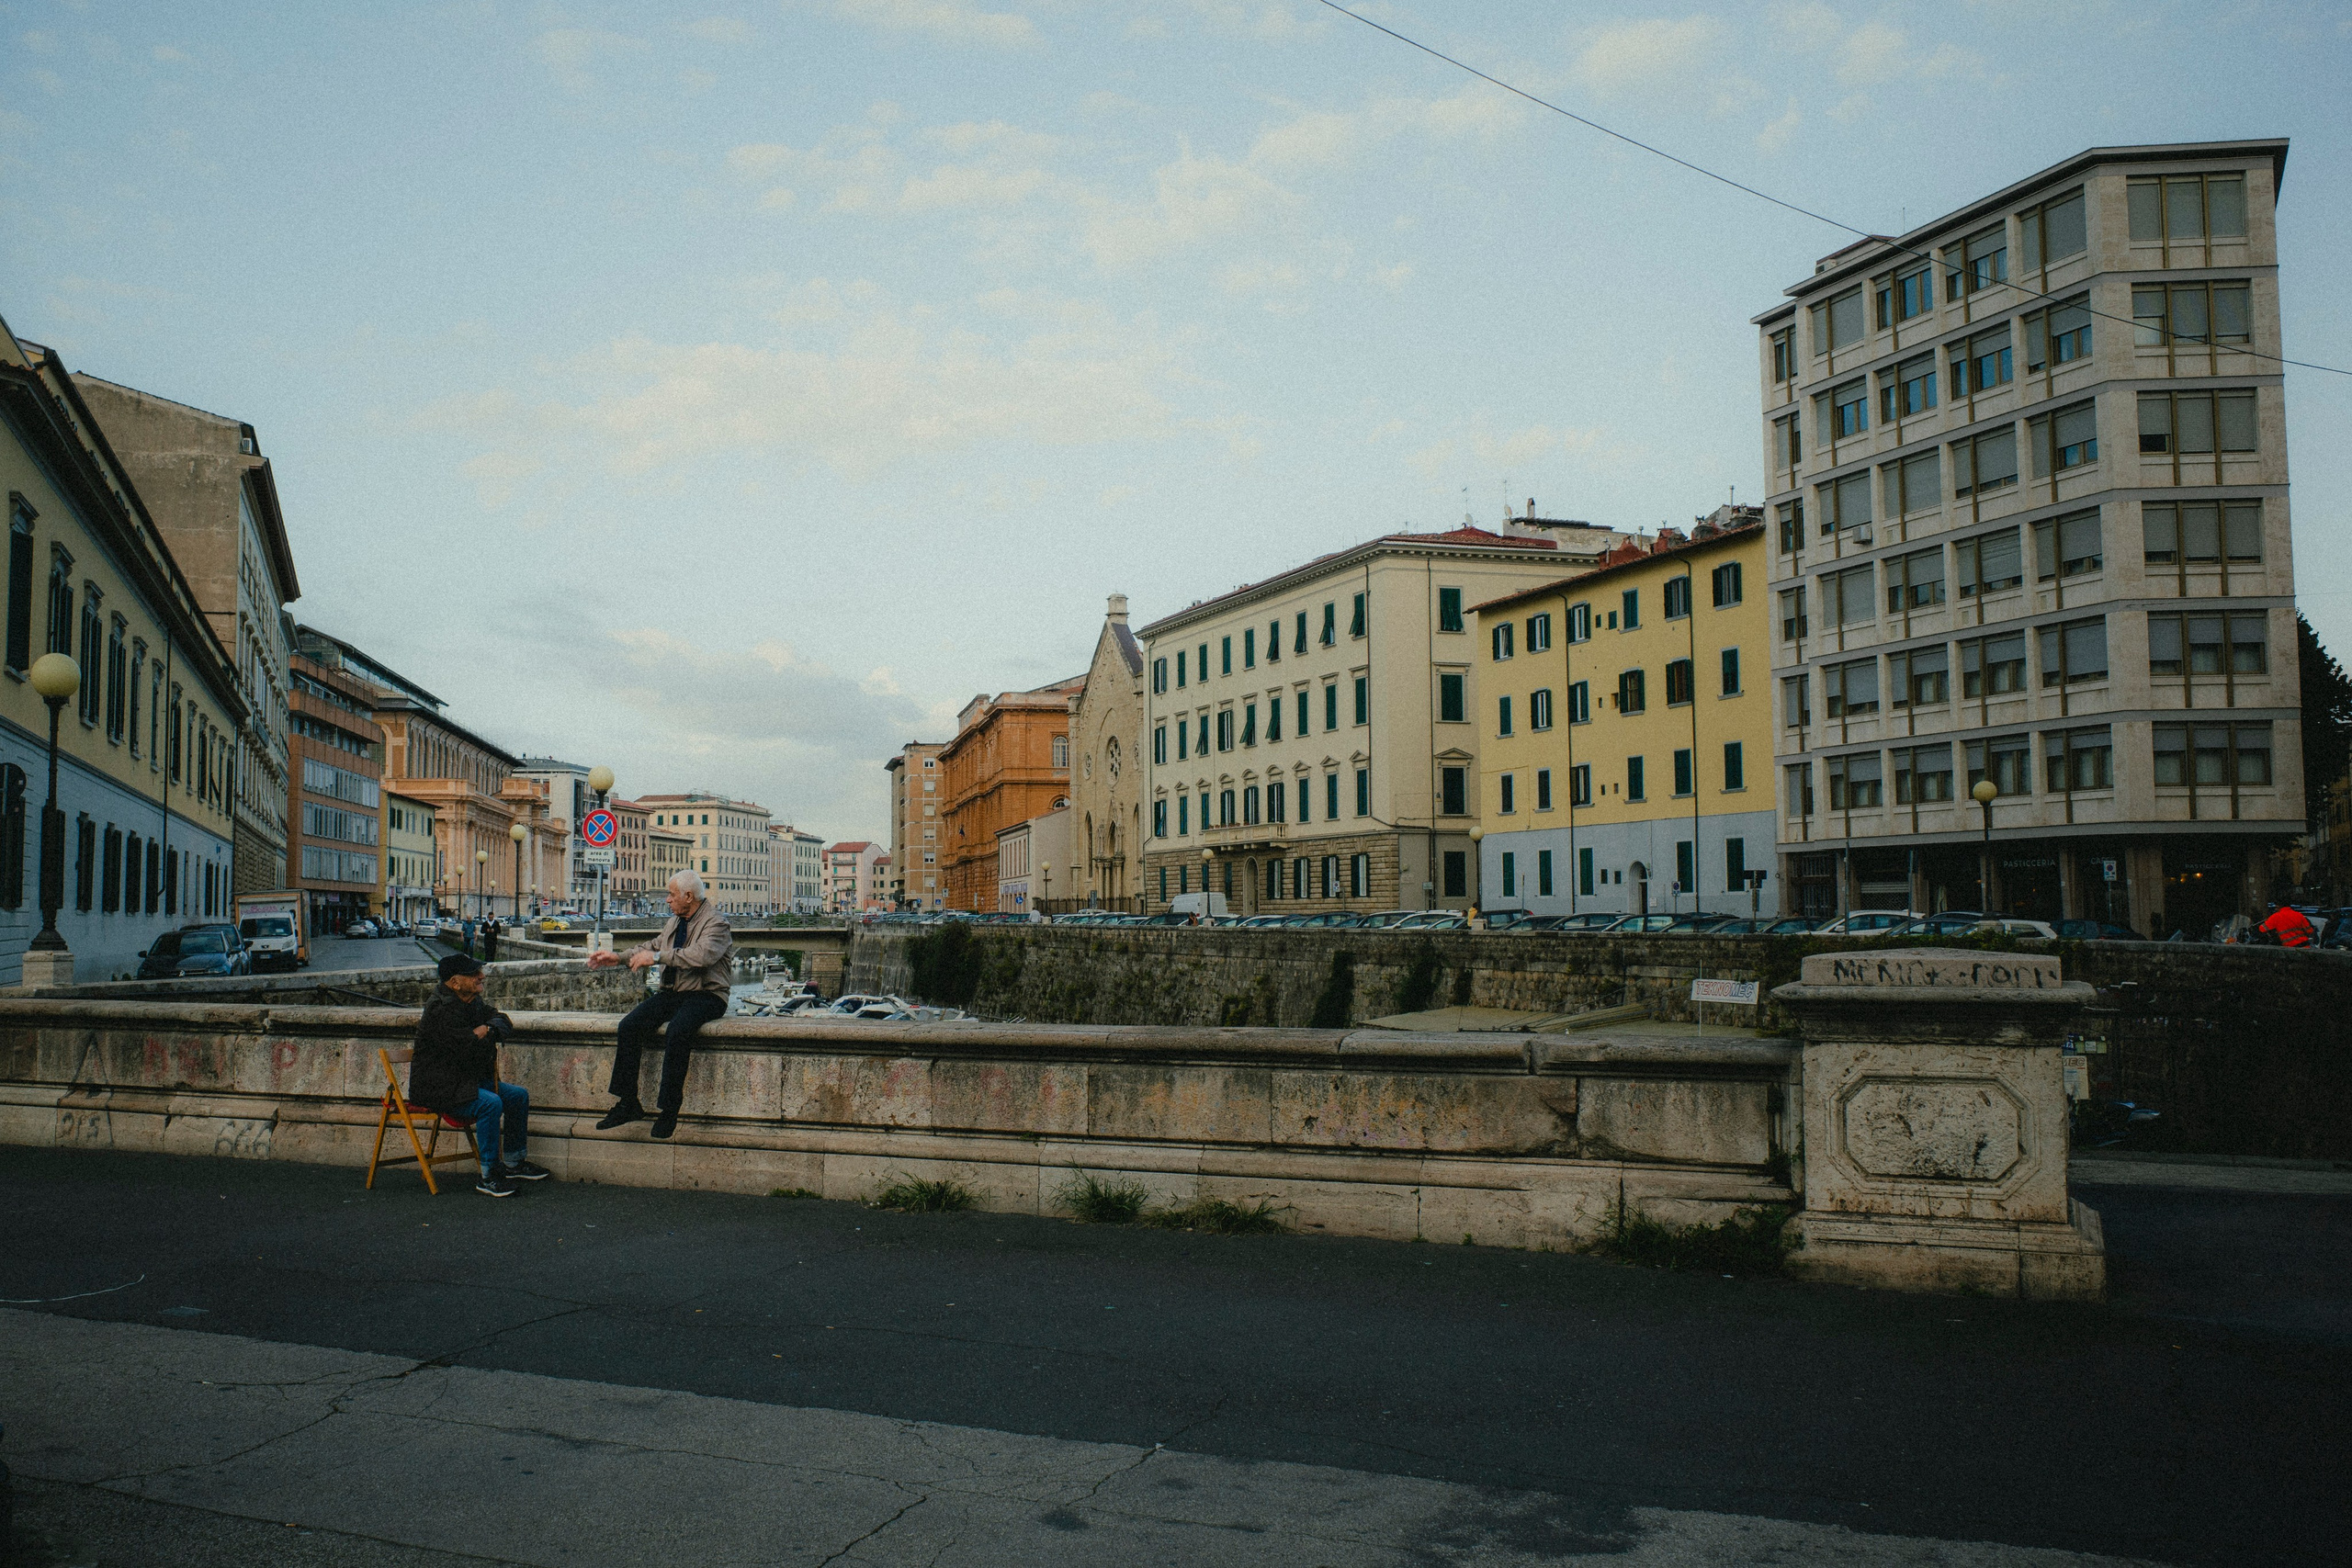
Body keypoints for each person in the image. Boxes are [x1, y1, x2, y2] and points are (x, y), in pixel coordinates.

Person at [589, 871, 733, 1140]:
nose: (667, 900)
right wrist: (617, 957)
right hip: (674, 992)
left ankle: (669, 1110)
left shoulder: (717, 924)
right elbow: (652, 946)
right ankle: (628, 1102)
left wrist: (655, 957)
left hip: (707, 995)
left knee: (677, 1032)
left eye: (671, 895)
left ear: (688, 897)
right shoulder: (675, 922)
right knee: (629, 1027)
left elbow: (700, 956)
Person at [407, 953, 548, 1197]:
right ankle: (489, 1175)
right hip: (440, 1087)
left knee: (517, 1096)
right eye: (474, 974)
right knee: (490, 1103)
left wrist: (487, 1029)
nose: (481, 976)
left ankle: (514, 1162)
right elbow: (465, 1047)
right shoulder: (440, 1009)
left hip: (464, 1082)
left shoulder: (472, 1002)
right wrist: (482, 1035)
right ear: (454, 982)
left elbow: (503, 1020)